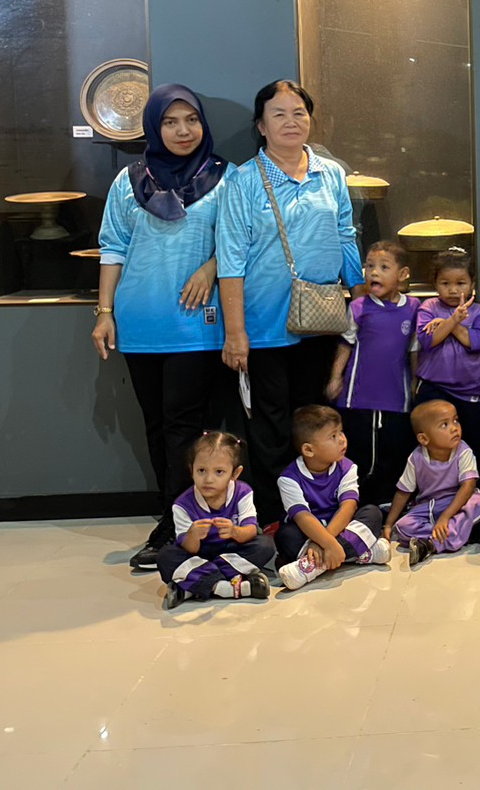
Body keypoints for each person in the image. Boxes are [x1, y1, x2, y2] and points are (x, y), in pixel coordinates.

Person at [93, 84, 230, 571]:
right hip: (139, 321)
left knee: (183, 426)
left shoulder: (226, 177)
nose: (182, 130)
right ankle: (177, 517)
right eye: (170, 122)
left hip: (197, 323)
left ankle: (177, 525)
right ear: (154, 126)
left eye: (191, 120)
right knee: (155, 425)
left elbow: (242, 240)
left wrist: (212, 267)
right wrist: (104, 312)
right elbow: (113, 247)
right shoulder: (128, 181)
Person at [217, 80, 363, 523]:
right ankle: (273, 517)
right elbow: (230, 259)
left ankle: (319, 510)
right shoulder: (242, 181)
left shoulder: (330, 173)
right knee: (271, 425)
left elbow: (346, 237)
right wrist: (235, 332)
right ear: (261, 126)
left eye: (299, 112)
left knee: (315, 421)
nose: (291, 122)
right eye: (278, 114)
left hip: (321, 320)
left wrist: (361, 302)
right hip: (264, 325)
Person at [325, 240, 420, 504]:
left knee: (393, 449)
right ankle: (356, 502)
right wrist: (335, 378)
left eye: (384, 267)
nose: (374, 272)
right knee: (359, 451)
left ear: (402, 274)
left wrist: (416, 381)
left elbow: (415, 348)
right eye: (369, 266)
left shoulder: (413, 308)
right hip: (358, 398)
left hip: (396, 397)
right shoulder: (358, 307)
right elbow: (346, 344)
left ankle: (389, 503)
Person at [275, 405, 391, 590]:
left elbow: (348, 507)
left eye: (341, 432)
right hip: (308, 531)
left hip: (340, 527)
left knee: (372, 513)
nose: (342, 440)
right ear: (309, 450)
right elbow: (303, 517)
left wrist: (324, 543)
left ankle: (312, 567)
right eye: (333, 436)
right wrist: (326, 543)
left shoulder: (347, 467)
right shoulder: (289, 479)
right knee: (285, 535)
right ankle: (361, 554)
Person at [157, 432, 273, 610]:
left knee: (265, 545)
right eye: (201, 471)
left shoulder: (243, 493)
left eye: (219, 472)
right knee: (166, 557)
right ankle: (226, 588)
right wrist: (193, 536)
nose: (208, 479)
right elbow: (188, 548)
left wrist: (235, 531)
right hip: (198, 555)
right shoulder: (182, 504)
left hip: (231, 551)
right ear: (191, 470)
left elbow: (250, 530)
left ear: (235, 473)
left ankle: (193, 586)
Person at [382, 400, 480, 564]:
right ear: (424, 439)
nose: (454, 428)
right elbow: (403, 492)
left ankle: (430, 544)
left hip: (457, 501)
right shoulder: (416, 458)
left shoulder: (463, 451)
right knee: (403, 527)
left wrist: (446, 517)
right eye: (444, 425)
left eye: (456, 420)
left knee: (479, 503)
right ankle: (468, 533)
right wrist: (388, 525)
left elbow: (468, 486)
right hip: (430, 506)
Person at [414, 247, 480, 473]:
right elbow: (428, 340)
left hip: (470, 391)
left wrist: (450, 323)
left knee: (472, 444)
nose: (453, 290)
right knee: (432, 445)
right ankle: (432, 486)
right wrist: (451, 321)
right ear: (435, 283)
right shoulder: (428, 308)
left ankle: (471, 487)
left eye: (461, 283)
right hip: (434, 388)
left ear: (472, 283)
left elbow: (475, 343)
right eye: (445, 283)